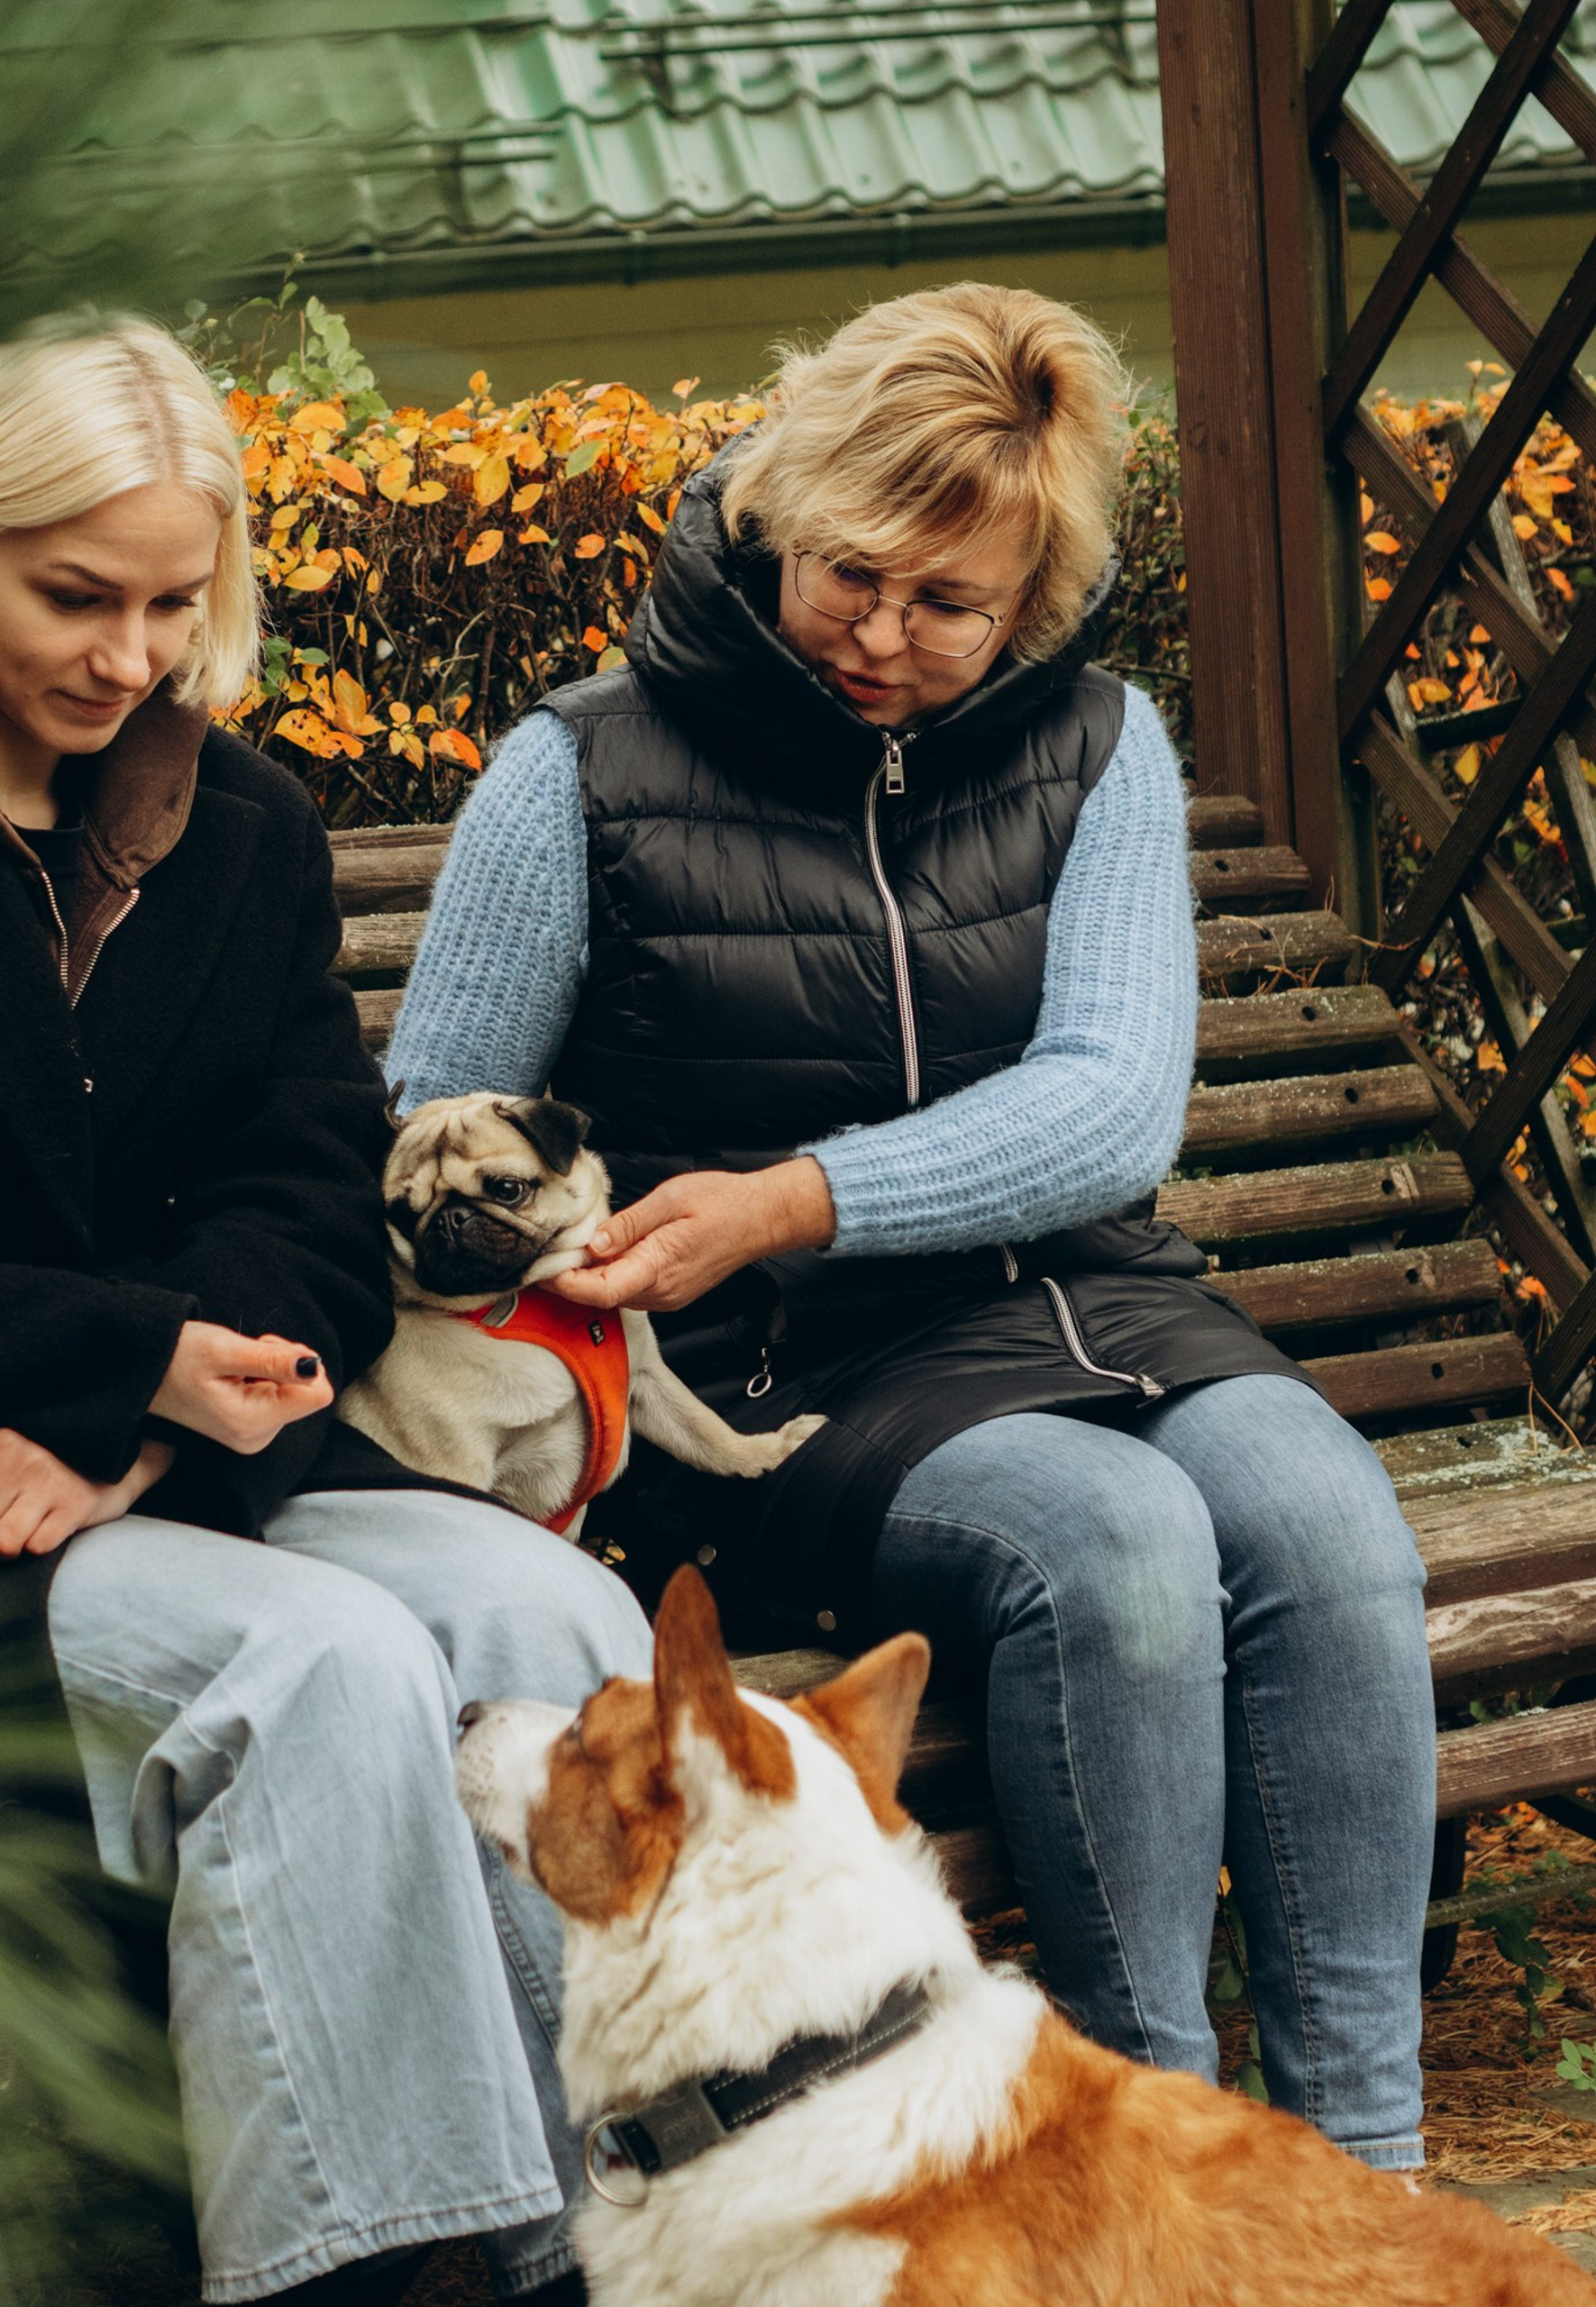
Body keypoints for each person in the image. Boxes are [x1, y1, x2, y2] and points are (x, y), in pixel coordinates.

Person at [0, 318, 650, 2304]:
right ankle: (361, 2277)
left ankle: (586, 2250)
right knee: (329, 1668)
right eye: (75, 596)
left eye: (175, 600)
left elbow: (308, 1185)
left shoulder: (237, 829)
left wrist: (156, 1415)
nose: (130, 654)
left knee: (555, 1622)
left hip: (193, 1473)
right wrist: (109, 1365)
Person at [386, 284, 1436, 2172]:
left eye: (947, 603)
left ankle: (1363, 2177)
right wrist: (584, 1291)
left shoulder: (1097, 747)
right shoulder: (582, 771)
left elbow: (1113, 1102)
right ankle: (1145, 2159)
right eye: (850, 573)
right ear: (774, 513)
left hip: (1092, 1303)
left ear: (1030, 596)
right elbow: (427, 1130)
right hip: (765, 1375)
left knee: (1327, 1522)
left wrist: (799, 1193)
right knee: (1115, 1543)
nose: (882, 635)